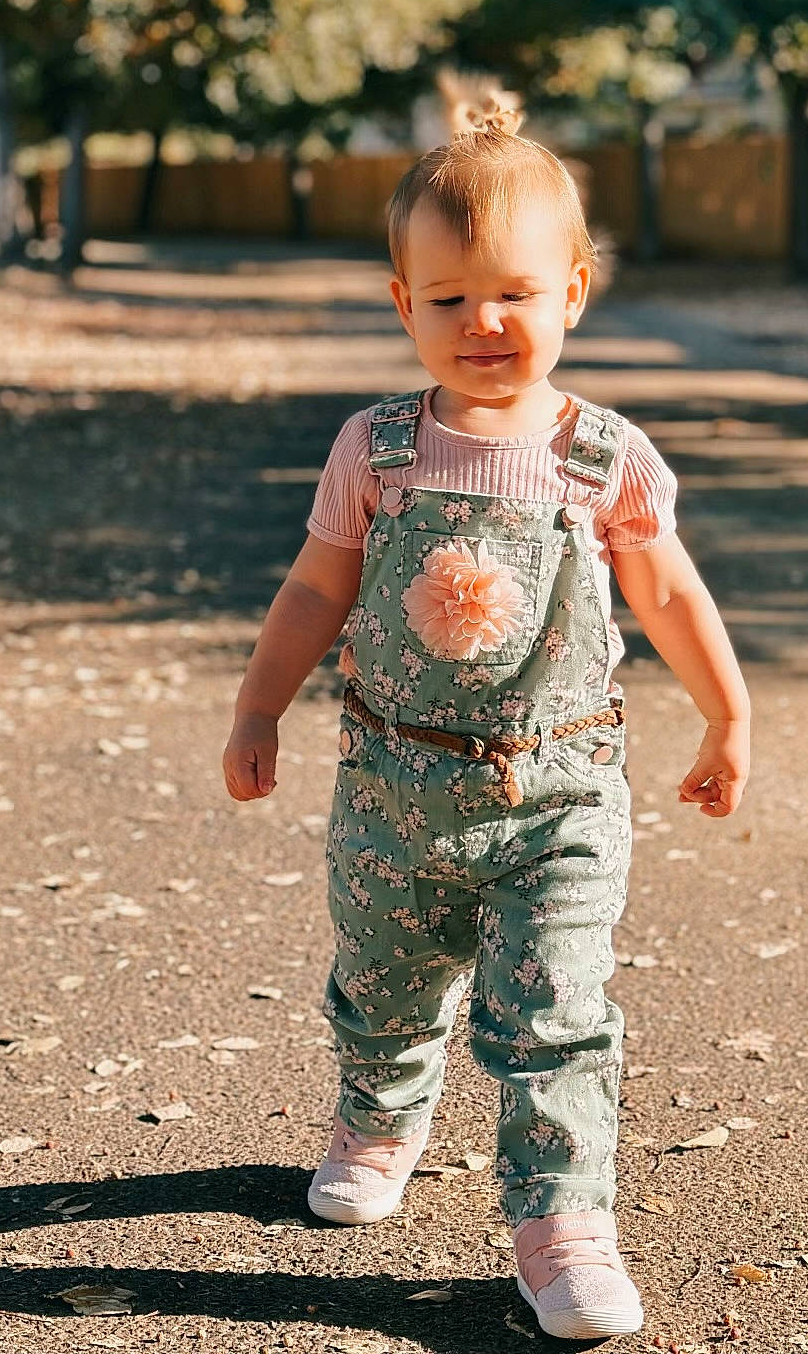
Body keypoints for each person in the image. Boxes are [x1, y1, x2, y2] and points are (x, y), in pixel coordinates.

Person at [222, 109, 751, 1341]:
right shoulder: (378, 448)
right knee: (384, 979)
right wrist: (259, 703)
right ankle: (379, 1112)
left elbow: (671, 594)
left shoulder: (603, 457)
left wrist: (728, 712)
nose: (484, 322)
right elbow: (314, 588)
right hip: (393, 786)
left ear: (573, 291)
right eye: (450, 297)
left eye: (514, 292)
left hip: (561, 790)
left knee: (555, 1010)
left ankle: (564, 1222)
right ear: (402, 302)